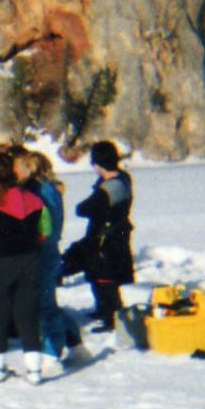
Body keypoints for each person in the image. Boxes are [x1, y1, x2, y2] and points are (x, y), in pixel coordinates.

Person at [0, 153, 52, 382]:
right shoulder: (34, 199)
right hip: (29, 261)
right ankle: (34, 369)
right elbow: (45, 231)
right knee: (28, 314)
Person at [13, 149, 86, 373]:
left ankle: (52, 352)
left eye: (16, 168)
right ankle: (74, 342)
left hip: (41, 252)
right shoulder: (48, 189)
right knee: (47, 302)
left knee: (43, 305)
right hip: (47, 251)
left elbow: (44, 226)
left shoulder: (40, 192)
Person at [73, 139, 134, 331]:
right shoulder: (120, 179)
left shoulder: (112, 186)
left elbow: (85, 208)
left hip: (108, 236)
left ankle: (110, 315)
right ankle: (104, 309)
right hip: (110, 233)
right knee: (97, 273)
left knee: (105, 275)